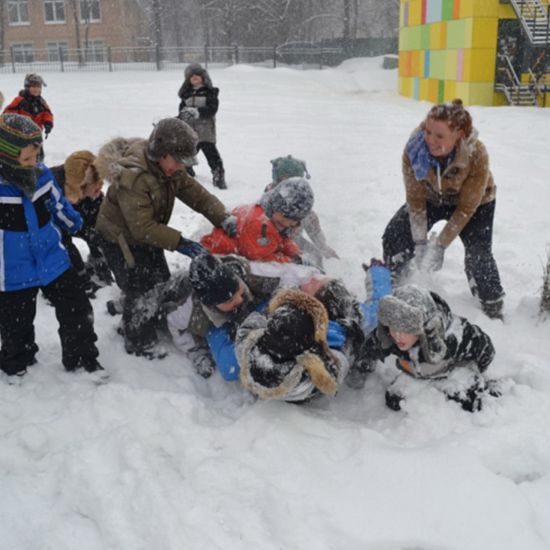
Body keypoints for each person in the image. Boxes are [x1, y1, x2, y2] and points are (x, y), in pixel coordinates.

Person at [94, 118, 236, 358]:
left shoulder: (168, 169)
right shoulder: (135, 178)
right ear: (161, 152)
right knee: (139, 288)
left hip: (149, 235)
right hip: (121, 240)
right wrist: (182, 243)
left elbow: (196, 194)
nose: (181, 167)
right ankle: (138, 340)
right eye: (178, 161)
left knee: (160, 280)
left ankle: (149, 317)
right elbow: (141, 227)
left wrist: (222, 218)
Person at [0, 114, 105, 380]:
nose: (33, 163)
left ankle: (82, 356)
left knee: (77, 307)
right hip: (12, 268)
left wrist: (73, 223)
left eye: (36, 156)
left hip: (51, 256)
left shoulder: (42, 176)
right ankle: (17, 361)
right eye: (26, 159)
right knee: (16, 322)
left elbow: (59, 205)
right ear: (7, 156)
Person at [382, 99, 505, 319]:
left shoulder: (477, 154)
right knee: (396, 233)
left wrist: (440, 245)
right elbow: (415, 200)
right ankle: (395, 279)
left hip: (476, 203)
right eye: (428, 132)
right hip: (432, 196)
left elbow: (467, 209)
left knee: (479, 254)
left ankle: (491, 303)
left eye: (439, 136)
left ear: (457, 135)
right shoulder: (414, 149)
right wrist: (420, 242)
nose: (430, 140)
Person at [362, 284, 497, 412]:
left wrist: (480, 368)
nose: (398, 335)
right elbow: (370, 348)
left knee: (469, 403)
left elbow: (484, 347)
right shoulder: (390, 337)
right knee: (393, 400)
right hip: (414, 374)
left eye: (406, 329)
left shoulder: (453, 337)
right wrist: (362, 365)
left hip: (451, 374)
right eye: (393, 328)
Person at [235, 286, 363, 403]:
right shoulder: (312, 373)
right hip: (302, 397)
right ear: (308, 350)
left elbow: (253, 322)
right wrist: (347, 332)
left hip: (282, 392)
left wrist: (273, 311)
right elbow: (339, 367)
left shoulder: (246, 347)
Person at [201, 176, 314, 263]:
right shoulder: (260, 225)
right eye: (293, 219)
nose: (294, 224)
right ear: (279, 210)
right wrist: (291, 261)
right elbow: (262, 258)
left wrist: (296, 253)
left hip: (244, 250)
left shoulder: (273, 218)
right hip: (216, 256)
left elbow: (283, 240)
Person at [50, 150, 112, 297]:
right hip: (46, 232)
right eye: (97, 188)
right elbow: (61, 241)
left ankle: (96, 262)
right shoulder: (53, 193)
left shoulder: (90, 192)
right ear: (81, 186)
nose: (99, 191)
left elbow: (98, 223)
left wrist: (101, 254)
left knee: (97, 231)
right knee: (61, 249)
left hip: (74, 216)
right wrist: (81, 275)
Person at [266, 155, 338, 268]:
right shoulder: (272, 198)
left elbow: (314, 230)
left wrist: (323, 247)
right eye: (285, 180)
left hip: (293, 241)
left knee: (315, 255)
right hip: (272, 246)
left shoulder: (301, 202)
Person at [177, 63, 227, 189]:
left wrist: (197, 112)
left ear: (203, 77)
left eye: (196, 75)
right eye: (191, 76)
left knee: (210, 153)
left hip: (205, 129)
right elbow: (182, 112)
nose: (194, 77)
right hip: (189, 130)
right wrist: (177, 119)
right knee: (187, 152)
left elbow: (212, 109)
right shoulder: (186, 94)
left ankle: (218, 174)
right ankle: (187, 171)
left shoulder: (210, 92)